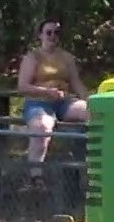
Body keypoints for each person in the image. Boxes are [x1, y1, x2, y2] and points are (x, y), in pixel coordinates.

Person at [17, 18, 89, 186]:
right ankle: (36, 175)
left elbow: (76, 83)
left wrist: (89, 100)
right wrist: (47, 92)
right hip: (38, 103)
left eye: (56, 32)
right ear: (40, 35)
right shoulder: (33, 57)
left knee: (92, 112)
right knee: (42, 127)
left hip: (64, 102)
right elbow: (23, 86)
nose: (52, 36)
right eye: (48, 32)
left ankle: (98, 162)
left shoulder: (67, 58)